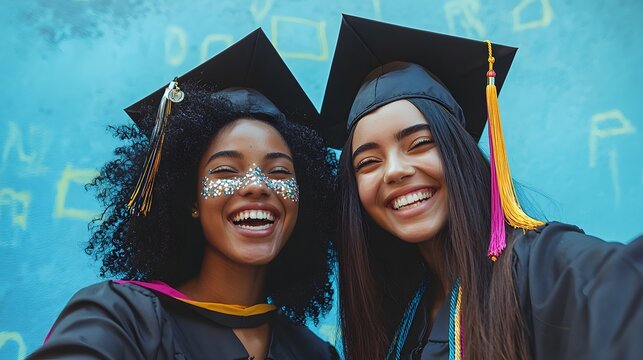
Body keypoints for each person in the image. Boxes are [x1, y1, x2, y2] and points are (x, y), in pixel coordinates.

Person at [319, 15, 643, 360]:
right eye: (368, 163)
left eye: (420, 143)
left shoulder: (542, 266)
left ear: (459, 151)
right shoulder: (399, 313)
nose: (395, 171)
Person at [29, 29, 338, 359]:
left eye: (279, 172)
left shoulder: (314, 352)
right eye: (225, 171)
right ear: (191, 199)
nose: (257, 185)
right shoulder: (119, 319)